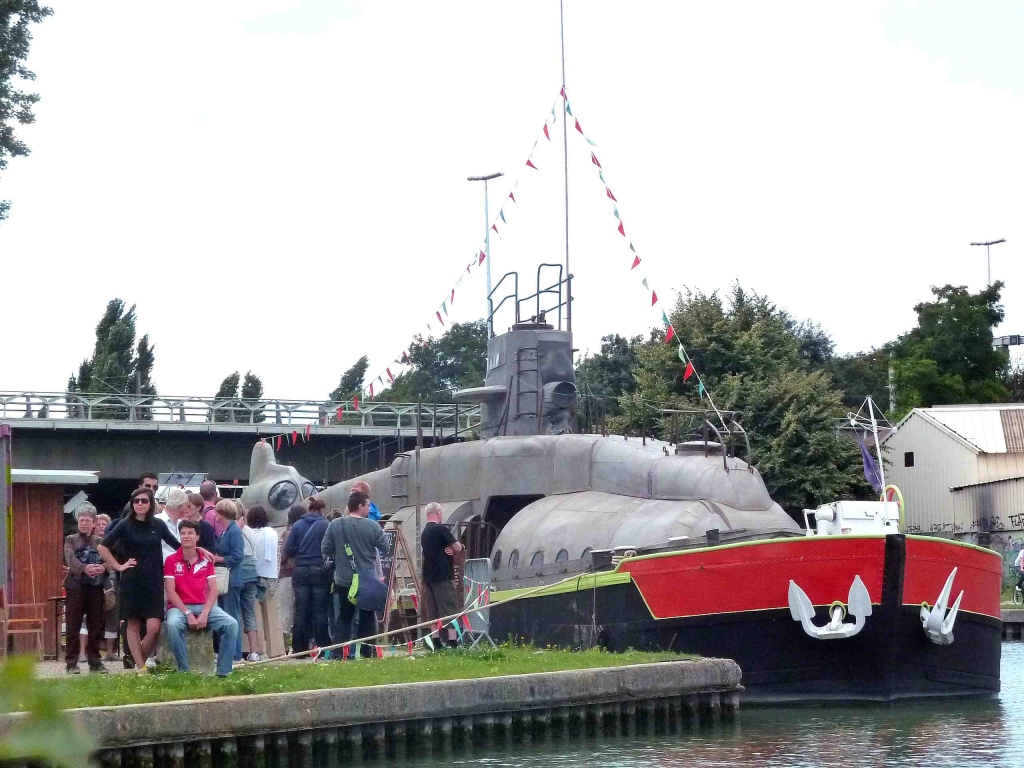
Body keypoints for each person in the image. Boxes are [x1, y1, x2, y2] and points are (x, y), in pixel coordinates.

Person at [98, 488, 181, 672]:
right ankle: (141, 669)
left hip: (154, 580)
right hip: (131, 580)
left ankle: (135, 662)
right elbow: (103, 546)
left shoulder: (158, 525)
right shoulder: (124, 524)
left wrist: (200, 552)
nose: (140, 504)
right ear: (132, 504)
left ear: (151, 503)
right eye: (136, 501)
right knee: (133, 623)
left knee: (154, 627)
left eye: (144, 501)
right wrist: (118, 566)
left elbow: (178, 546)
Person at [163, 520, 239, 677]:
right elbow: (170, 592)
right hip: (179, 607)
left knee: (231, 624)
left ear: (197, 536)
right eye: (183, 533)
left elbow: (213, 590)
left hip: (203, 605)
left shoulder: (206, 559)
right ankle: (184, 671)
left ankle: (223, 672)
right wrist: (188, 614)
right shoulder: (171, 560)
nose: (186, 536)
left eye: (190, 533)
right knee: (173, 624)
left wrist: (204, 613)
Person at [323, 491, 389, 658]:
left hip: (343, 580)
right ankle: (367, 653)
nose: (369, 508)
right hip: (367, 580)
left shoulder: (335, 525)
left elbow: (325, 548)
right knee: (367, 618)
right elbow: (385, 548)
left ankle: (339, 653)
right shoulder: (372, 526)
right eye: (368, 505)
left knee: (344, 618)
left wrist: (340, 553)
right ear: (360, 506)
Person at [63, 504, 108, 674]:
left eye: (87, 521)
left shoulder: (101, 541)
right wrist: (85, 568)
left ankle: (95, 661)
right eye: (81, 520)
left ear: (94, 522)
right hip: (75, 587)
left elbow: (109, 559)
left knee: (96, 624)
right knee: (73, 625)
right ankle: (71, 663)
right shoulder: (70, 539)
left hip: (96, 587)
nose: (83, 523)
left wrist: (103, 568)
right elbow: (70, 559)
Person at [283, 497, 331, 654]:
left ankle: (299, 648)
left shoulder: (297, 525)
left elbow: (288, 550)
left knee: (301, 610)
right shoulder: (326, 525)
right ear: (322, 510)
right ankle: (323, 648)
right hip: (320, 570)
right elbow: (331, 548)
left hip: (301, 571)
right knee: (320, 611)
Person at [420, 502, 463, 648]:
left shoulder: (424, 532)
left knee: (433, 609)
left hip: (428, 576)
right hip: (444, 575)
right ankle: (452, 641)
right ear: (438, 511)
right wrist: (455, 548)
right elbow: (457, 547)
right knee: (449, 607)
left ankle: (436, 641)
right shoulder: (441, 529)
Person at [211, 499, 245, 661]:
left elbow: (238, 555)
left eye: (217, 511)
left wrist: (220, 558)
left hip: (231, 579)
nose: (214, 514)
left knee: (232, 616)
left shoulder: (234, 531)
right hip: (226, 579)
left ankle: (235, 653)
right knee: (226, 615)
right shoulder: (226, 531)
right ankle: (229, 651)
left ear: (222, 513)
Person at [246, 504, 279, 661]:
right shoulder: (272, 533)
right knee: (271, 614)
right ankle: (276, 650)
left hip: (255, 576)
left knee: (256, 614)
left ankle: (260, 650)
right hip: (271, 576)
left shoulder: (249, 534)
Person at [235, 501, 261, 661]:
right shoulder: (251, 531)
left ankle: (235, 650)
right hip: (252, 572)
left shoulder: (234, 531)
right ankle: (254, 651)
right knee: (249, 612)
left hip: (238, 571)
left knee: (234, 612)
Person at [277, 504, 305, 649]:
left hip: (287, 574)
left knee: (285, 611)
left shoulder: (289, 533)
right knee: (299, 611)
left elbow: (283, 555)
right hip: (301, 573)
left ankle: (283, 646)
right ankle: (298, 644)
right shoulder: (306, 531)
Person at [93, 513, 120, 658]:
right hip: (93, 581)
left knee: (112, 613)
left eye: (104, 524)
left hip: (112, 579)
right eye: (98, 524)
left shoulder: (114, 543)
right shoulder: (90, 542)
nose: (101, 527)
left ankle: (110, 651)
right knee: (92, 615)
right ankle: (91, 650)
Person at [155, 488, 188, 561]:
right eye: (187, 506)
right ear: (180, 506)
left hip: (179, 568)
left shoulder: (181, 523)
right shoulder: (156, 521)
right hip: (160, 568)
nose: (187, 509)